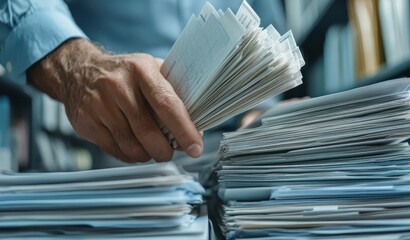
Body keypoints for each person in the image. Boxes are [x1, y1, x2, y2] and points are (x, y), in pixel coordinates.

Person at [0, 0, 286, 164]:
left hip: (231, 151)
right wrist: (77, 66)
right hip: (107, 141)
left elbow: (266, 42)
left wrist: (260, 117)